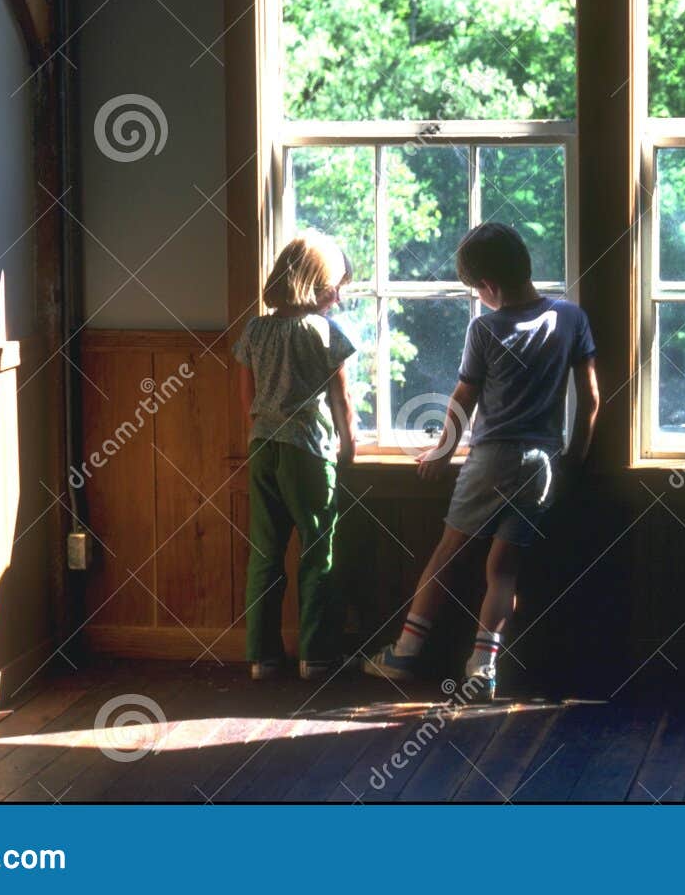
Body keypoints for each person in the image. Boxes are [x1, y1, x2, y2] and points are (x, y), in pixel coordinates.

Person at [365, 222, 599, 699]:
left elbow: (463, 399)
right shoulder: (571, 319)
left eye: (477, 290)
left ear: (488, 287)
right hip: (542, 467)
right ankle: (483, 668)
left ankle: (405, 653)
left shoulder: (485, 329)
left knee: (445, 556)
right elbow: (591, 399)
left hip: (492, 459)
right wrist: (576, 458)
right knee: (504, 569)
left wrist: (443, 450)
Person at [233, 231, 358, 680]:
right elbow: (341, 399)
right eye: (334, 287)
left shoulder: (256, 329)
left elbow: (247, 396)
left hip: (264, 448)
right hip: (308, 452)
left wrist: (262, 428)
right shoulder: (324, 332)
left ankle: (261, 658)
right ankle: (315, 656)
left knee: (265, 552)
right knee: (317, 551)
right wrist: (348, 442)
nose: (339, 298)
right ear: (312, 283)